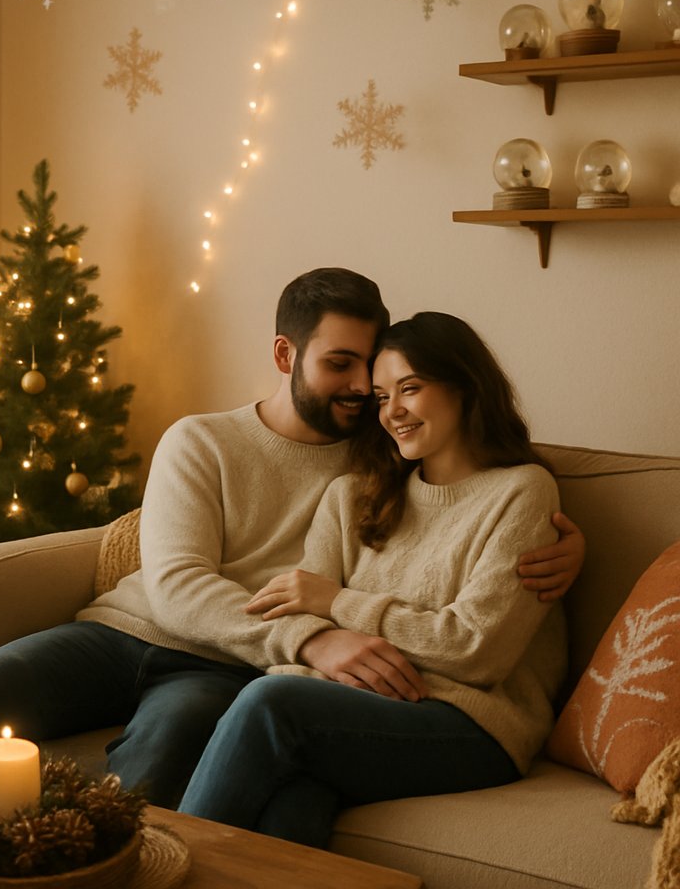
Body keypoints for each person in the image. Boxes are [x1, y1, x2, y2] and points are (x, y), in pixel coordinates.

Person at [0, 271, 583, 808]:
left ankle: (108, 858)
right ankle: (15, 850)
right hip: (131, 630)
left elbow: (469, 500)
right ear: (286, 356)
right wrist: (312, 638)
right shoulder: (201, 441)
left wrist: (568, 549)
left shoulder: (379, 460)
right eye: (341, 365)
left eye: (378, 374)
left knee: (168, 749)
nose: (366, 391)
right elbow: (177, 587)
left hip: (229, 662)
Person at [178, 312, 568, 846]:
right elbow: (297, 621)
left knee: (270, 706)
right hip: (358, 708)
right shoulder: (352, 497)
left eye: (411, 389)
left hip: (474, 726)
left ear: (465, 386)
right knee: (293, 799)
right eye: (382, 397)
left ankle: (165, 868)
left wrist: (339, 601)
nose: (394, 412)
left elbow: (476, 651)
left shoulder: (522, 492)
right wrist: (323, 613)